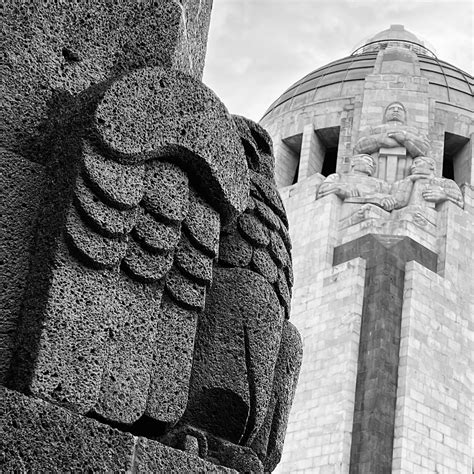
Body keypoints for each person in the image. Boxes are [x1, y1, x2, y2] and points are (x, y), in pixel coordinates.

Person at [317, 154, 396, 210]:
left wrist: (390, 201)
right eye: (368, 160)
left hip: (376, 210)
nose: (371, 165)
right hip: (350, 209)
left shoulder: (380, 183)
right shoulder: (339, 177)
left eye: (373, 164)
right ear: (353, 162)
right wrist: (340, 188)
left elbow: (391, 197)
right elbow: (322, 191)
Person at [354, 102, 430, 159]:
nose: (396, 110)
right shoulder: (371, 129)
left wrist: (405, 138)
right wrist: (380, 140)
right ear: (385, 114)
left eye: (400, 109)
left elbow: (425, 150)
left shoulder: (416, 131)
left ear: (405, 115)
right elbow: (358, 147)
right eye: (391, 109)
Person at [388, 156, 464, 209]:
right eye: (412, 164)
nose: (412, 166)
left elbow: (460, 201)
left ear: (431, 166)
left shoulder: (445, 183)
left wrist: (444, 194)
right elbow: (395, 202)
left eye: (417, 163)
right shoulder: (401, 183)